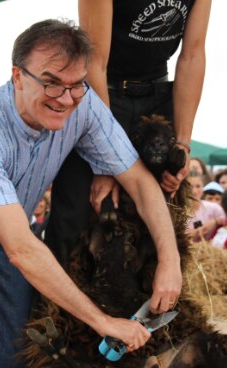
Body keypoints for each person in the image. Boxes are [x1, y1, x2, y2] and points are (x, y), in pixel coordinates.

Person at [0, 20, 182, 368]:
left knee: (11, 359)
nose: (65, 99)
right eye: (51, 84)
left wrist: (170, 260)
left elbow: (140, 182)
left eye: (76, 86)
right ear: (17, 76)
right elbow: (22, 248)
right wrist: (103, 322)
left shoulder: (84, 106)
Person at [45, 0, 212, 267]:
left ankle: (155, 303)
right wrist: (104, 163)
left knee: (159, 212)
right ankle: (51, 307)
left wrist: (182, 143)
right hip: (102, 93)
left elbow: (192, 55)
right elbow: (95, 62)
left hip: (157, 97)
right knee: (75, 213)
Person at [186, 171, 226, 242]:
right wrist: (197, 232)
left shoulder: (213, 207)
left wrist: (214, 221)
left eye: (198, 186)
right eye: (190, 186)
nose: (194, 191)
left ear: (203, 187)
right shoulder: (180, 211)